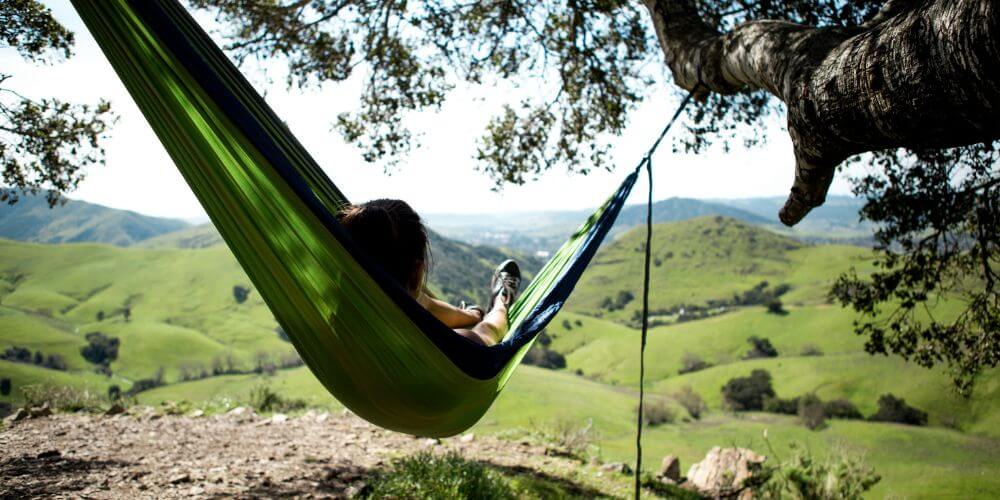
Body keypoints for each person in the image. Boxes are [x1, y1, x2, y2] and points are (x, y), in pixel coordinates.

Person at [336, 198, 520, 346]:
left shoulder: (331, 324)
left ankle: (473, 314)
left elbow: (426, 306)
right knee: (493, 317)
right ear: (417, 274)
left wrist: (475, 315)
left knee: (414, 303)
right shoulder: (457, 348)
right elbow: (492, 330)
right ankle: (502, 297)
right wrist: (498, 306)